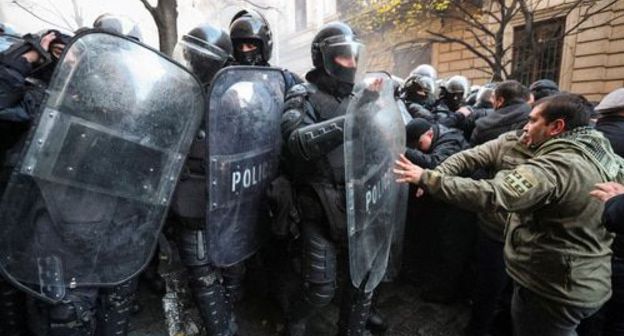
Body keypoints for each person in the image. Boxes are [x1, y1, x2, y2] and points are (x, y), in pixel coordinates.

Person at [395, 93, 622, 336]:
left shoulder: (557, 166)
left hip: (552, 287)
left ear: (557, 127)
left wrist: (427, 178)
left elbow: (493, 194)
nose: (526, 126)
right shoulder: (602, 153)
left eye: (534, 121)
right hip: (587, 280)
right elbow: (470, 157)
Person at [280, 21, 375, 336]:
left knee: (362, 280)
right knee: (320, 289)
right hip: (318, 205)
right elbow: (295, 141)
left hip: (359, 202)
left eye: (355, 56)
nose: (352, 63)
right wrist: (348, 123)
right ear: (323, 57)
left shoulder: (362, 95)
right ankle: (295, 318)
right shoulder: (302, 93)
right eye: (344, 56)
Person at [169, 23, 238, 336]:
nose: (194, 62)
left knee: (217, 271)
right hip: (187, 198)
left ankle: (223, 323)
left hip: (221, 196)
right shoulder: (175, 92)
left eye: (203, 57)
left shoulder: (232, 99)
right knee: (198, 272)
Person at [404, 118, 475, 303]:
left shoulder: (450, 141)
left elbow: (436, 163)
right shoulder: (440, 135)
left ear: (429, 134)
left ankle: (445, 292)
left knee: (451, 247)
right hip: (451, 196)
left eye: (419, 144)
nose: (418, 149)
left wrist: (403, 151)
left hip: (461, 203)